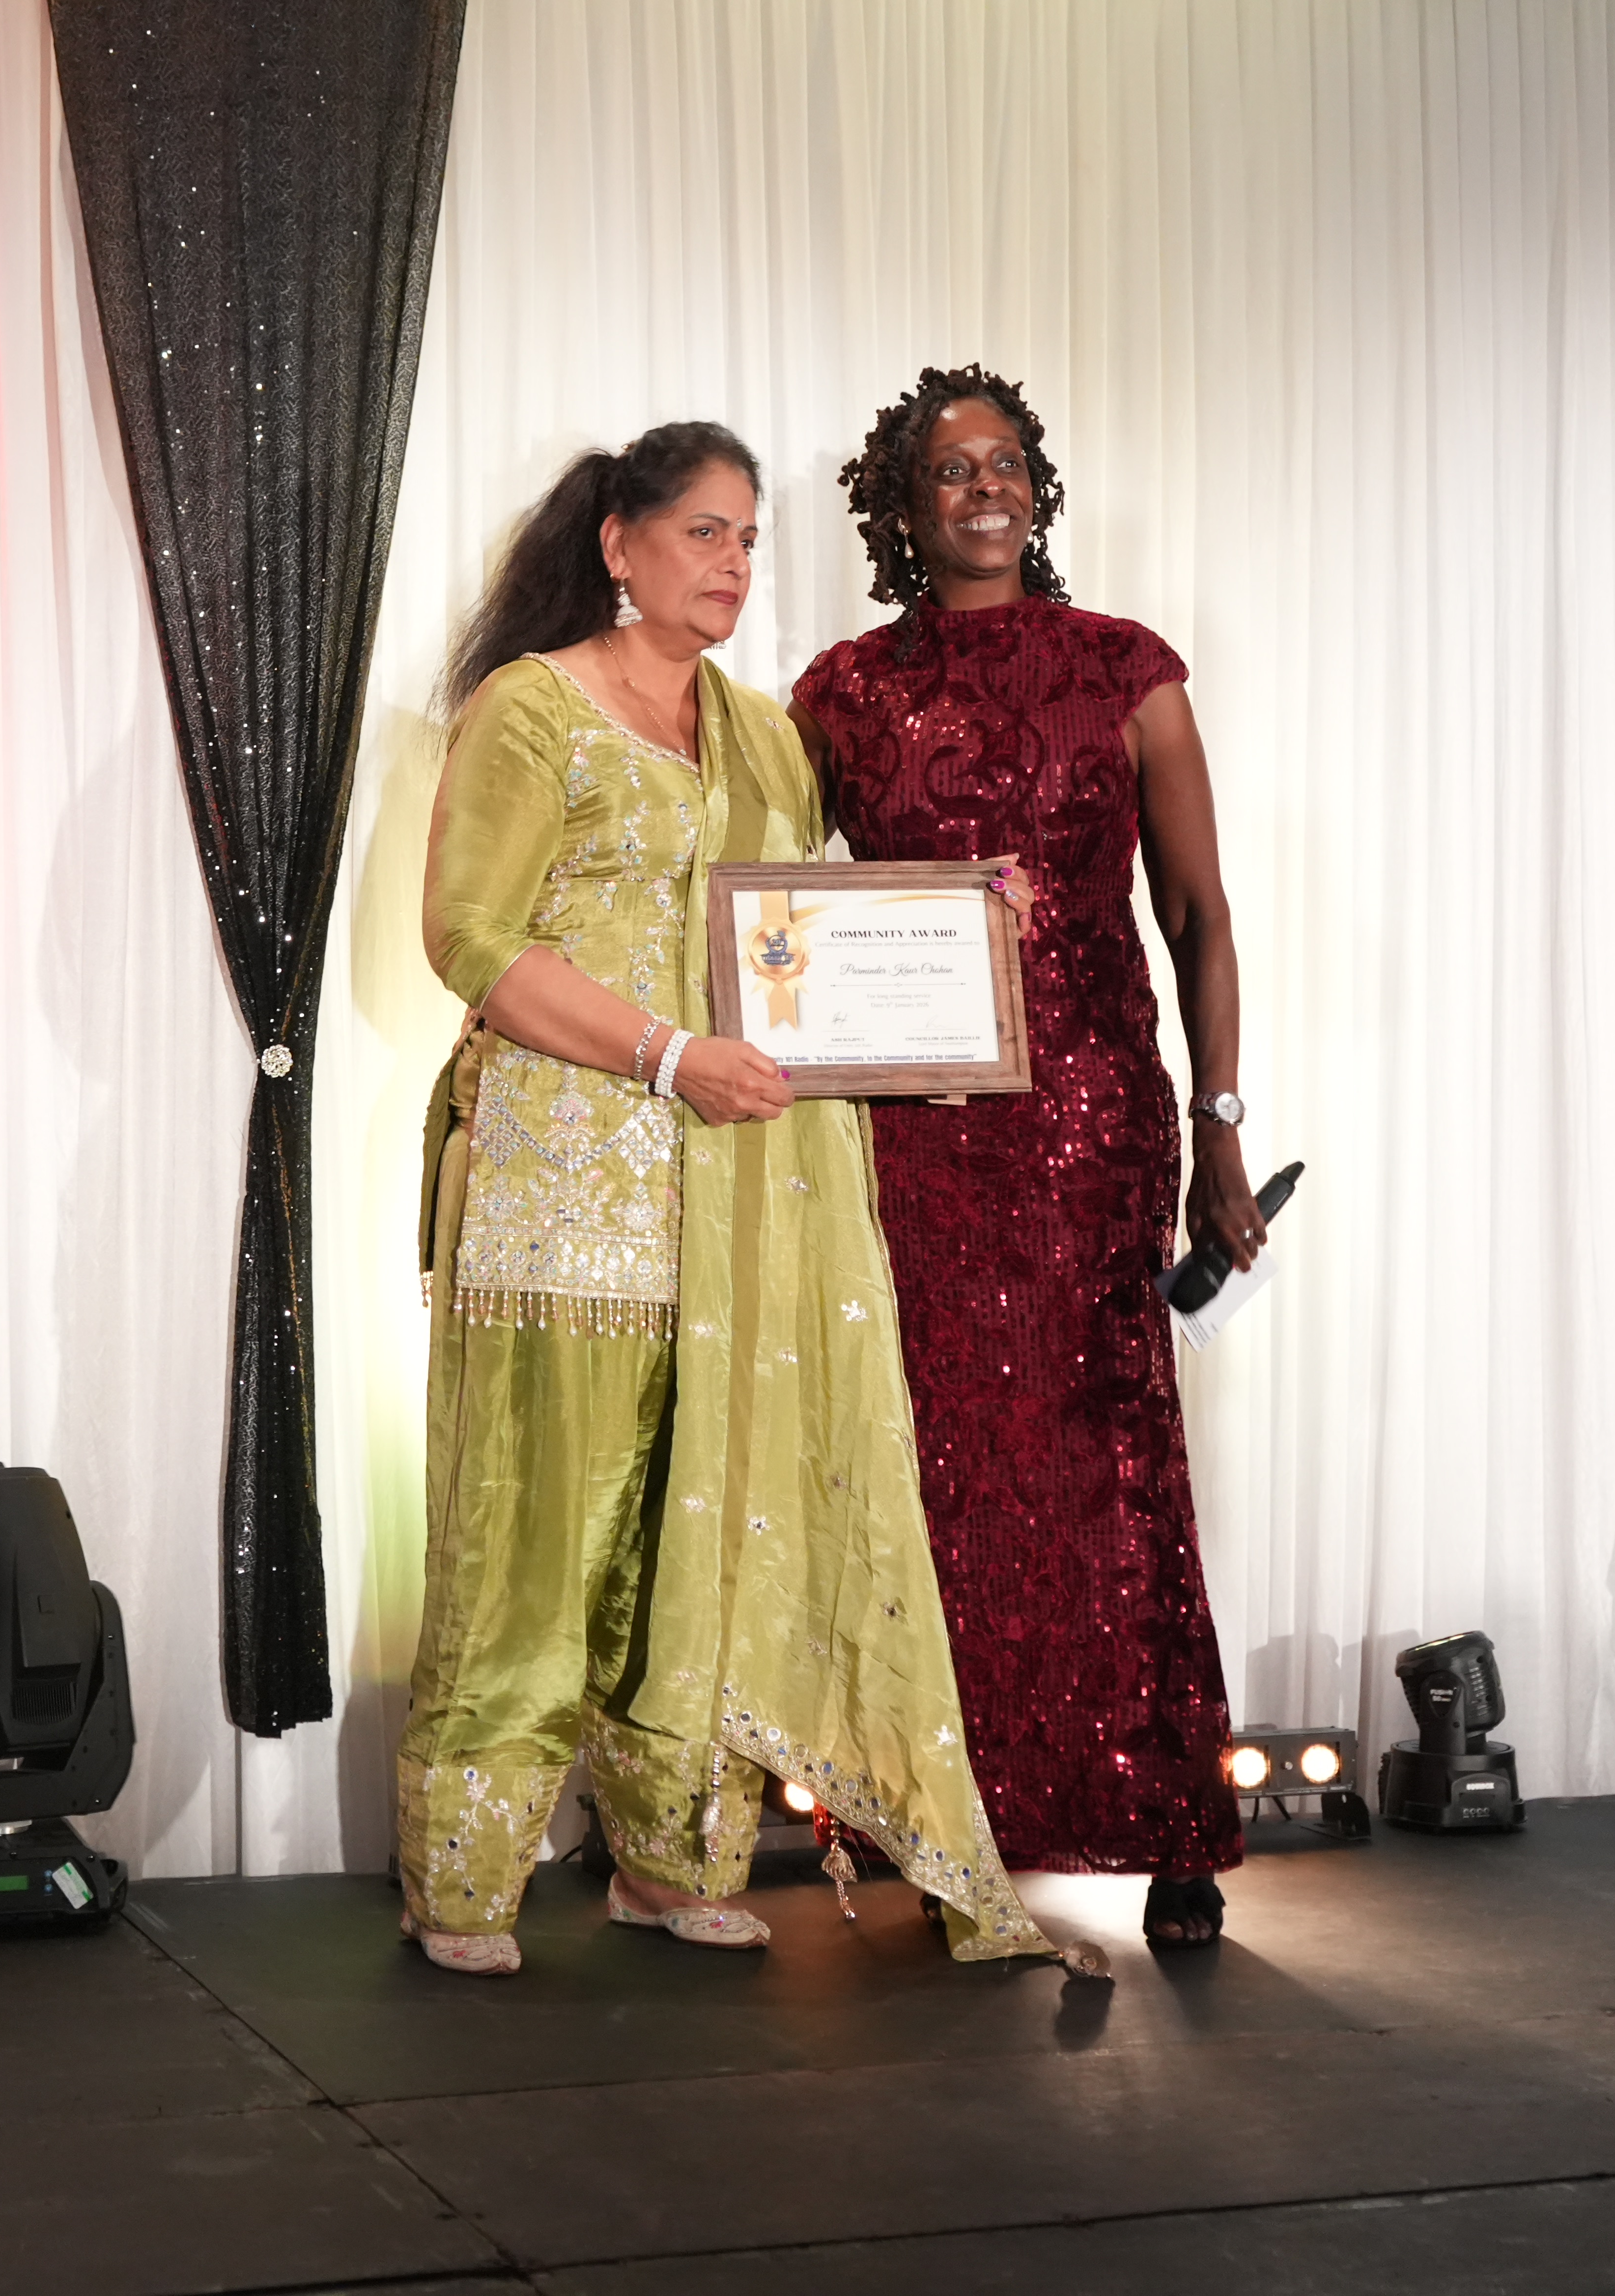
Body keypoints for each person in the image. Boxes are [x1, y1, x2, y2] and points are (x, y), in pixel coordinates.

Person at [403, 419, 1073, 1978]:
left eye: (751, 539)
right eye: (704, 532)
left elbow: (813, 946)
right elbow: (473, 940)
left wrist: (971, 941)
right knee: (537, 1540)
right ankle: (465, 1879)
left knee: (694, 1541)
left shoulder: (765, 738)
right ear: (619, 544)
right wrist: (665, 1055)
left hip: (736, 1210)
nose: (734, 564)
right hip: (565, 1192)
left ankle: (669, 1860)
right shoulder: (533, 709)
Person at [790, 368, 1254, 1950]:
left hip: (1092, 1129)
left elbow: (1198, 918)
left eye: (1006, 462)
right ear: (901, 508)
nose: (984, 486)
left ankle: (1170, 1828)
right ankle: (959, 1827)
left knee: (1114, 1469)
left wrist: (1222, 1133)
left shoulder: (1127, 670)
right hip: (918, 1141)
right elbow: (786, 915)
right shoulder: (843, 692)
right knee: (946, 1477)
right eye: (950, 468)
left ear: (1037, 490)